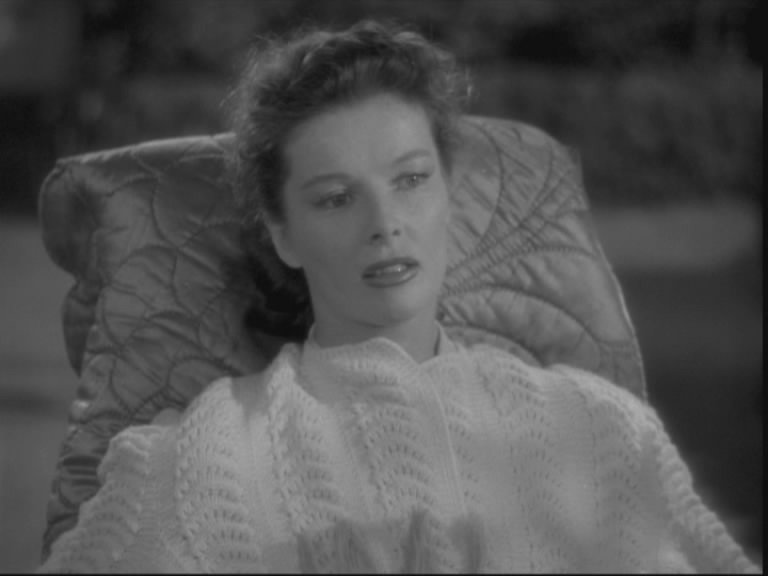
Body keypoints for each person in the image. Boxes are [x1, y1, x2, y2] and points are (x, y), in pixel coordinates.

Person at [39, 20, 759, 573]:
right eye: (336, 198)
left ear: (450, 192)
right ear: (284, 234)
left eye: (411, 180)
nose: (384, 224)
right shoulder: (206, 455)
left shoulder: (598, 427)